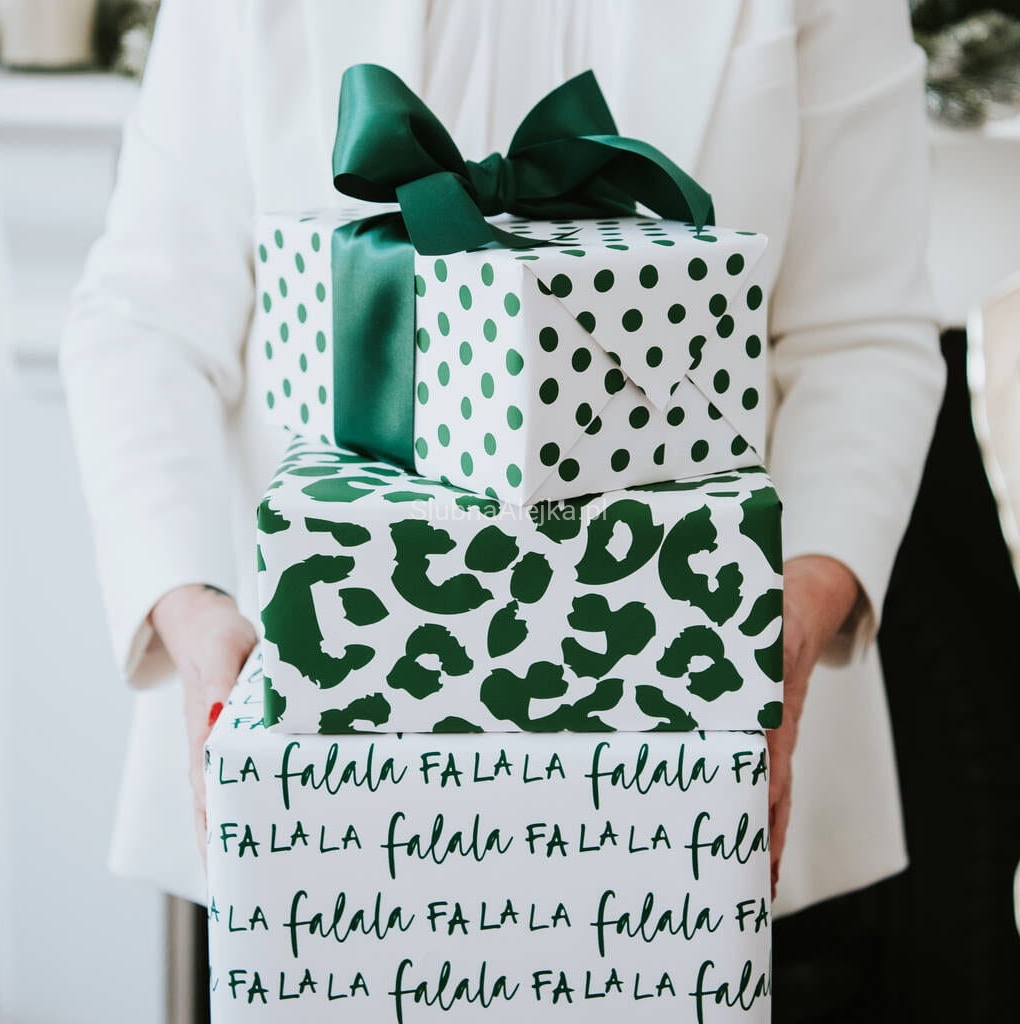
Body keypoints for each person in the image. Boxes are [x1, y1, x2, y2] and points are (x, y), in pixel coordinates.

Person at [61, 0, 943, 929]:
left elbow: (862, 333)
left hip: (699, 765)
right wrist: (191, 610)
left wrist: (789, 626)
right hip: (313, 770)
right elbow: (143, 320)